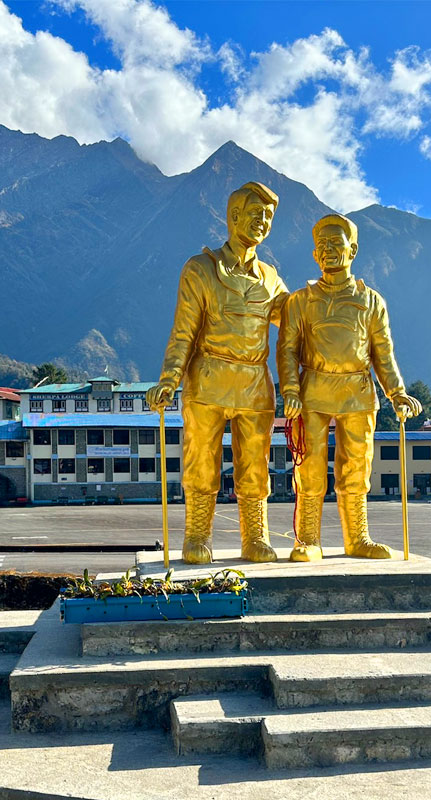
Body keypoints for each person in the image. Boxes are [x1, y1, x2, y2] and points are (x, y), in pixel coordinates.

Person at [146, 182, 289, 564]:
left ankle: (255, 538)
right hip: (208, 378)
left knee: (255, 465)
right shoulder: (200, 269)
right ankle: (196, 536)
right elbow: (183, 332)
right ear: (234, 216)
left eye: (268, 217)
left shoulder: (272, 279)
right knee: (201, 460)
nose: (262, 222)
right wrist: (169, 378)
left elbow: (297, 324)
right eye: (256, 214)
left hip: (255, 385)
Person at [277, 213, 421, 561]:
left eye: (335, 244)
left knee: (355, 469)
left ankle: (357, 539)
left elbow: (382, 353)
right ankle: (308, 540)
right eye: (321, 246)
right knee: (308, 469)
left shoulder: (372, 301)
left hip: (358, 392)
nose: (328, 251)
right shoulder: (300, 300)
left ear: (352, 249)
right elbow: (287, 349)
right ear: (314, 255)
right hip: (312, 392)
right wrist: (291, 391)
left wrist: (396, 391)